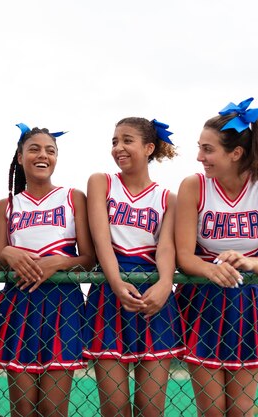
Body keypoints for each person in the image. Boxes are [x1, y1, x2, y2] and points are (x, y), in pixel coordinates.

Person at [175, 97, 258, 417]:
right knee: (211, 410)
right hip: (203, 300)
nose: (199, 157)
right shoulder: (194, 186)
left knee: (240, 409)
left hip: (248, 301)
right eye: (200, 147)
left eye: (208, 149)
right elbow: (185, 256)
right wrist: (212, 270)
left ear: (235, 153)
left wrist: (250, 262)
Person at [83, 118, 184, 417]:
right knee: (115, 409)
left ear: (149, 147)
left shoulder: (168, 198)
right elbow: (102, 240)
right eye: (115, 141)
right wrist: (115, 282)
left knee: (150, 409)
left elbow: (166, 248)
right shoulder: (101, 182)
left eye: (127, 140)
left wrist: (165, 284)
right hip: (110, 293)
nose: (118, 148)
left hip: (153, 297)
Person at [0, 123, 95, 417]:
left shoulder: (73, 197)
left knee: (53, 409)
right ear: (20, 155)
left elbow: (88, 258)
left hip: (63, 305)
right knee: (23, 408)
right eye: (34, 149)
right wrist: (7, 252)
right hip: (19, 304)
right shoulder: (6, 205)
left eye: (51, 151)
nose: (43, 155)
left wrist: (59, 261)